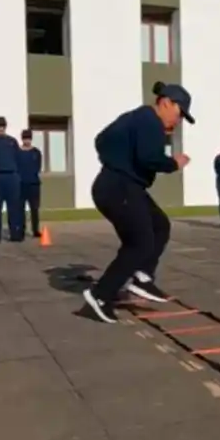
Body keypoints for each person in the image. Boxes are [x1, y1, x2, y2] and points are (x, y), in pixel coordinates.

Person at [83, 82, 194, 324]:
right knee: (140, 243)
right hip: (118, 187)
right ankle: (99, 295)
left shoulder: (135, 118)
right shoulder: (149, 121)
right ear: (166, 103)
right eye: (179, 114)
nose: (179, 121)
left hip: (119, 185)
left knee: (160, 225)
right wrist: (173, 163)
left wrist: (119, 158)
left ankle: (142, 277)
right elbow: (149, 158)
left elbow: (101, 140)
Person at [17, 129, 43, 237]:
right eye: (25, 138)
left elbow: (38, 167)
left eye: (28, 138)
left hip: (33, 184)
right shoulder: (17, 152)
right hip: (21, 184)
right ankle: (21, 230)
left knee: (34, 208)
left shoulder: (36, 152)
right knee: (20, 209)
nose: (26, 141)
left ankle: (35, 230)